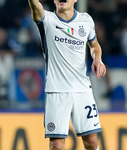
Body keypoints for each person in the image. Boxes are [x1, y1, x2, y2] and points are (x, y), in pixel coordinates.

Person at [28, 0, 106, 150]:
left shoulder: (86, 20)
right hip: (56, 91)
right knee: (57, 144)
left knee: (91, 141)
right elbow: (34, 5)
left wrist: (97, 58)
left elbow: (95, 45)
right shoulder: (47, 20)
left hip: (82, 90)